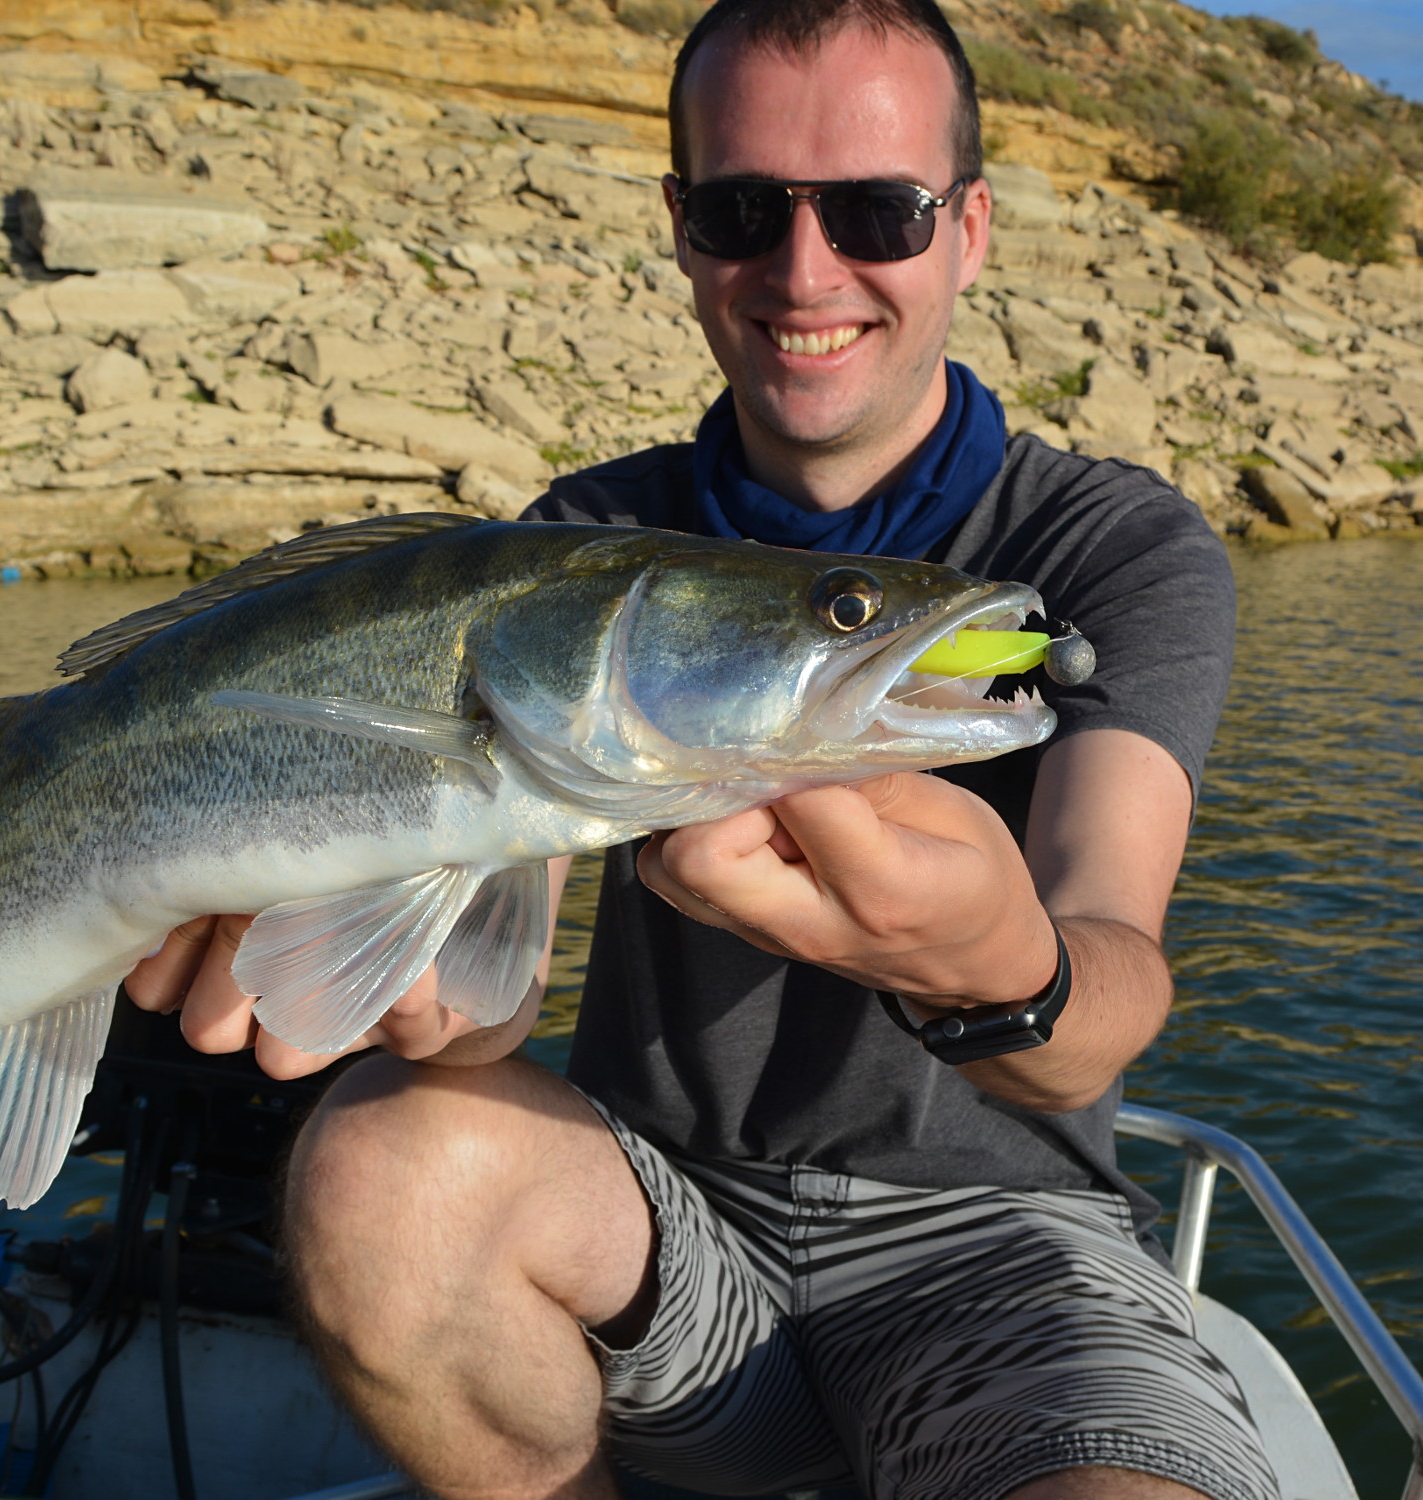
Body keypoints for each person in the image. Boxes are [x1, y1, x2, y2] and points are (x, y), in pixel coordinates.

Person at [125, 0, 1276, 1496]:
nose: (806, 273)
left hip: (991, 1248)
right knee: (375, 1159)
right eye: (743, 210)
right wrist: (391, 984)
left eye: (879, 210)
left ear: (971, 228)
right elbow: (478, 1020)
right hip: (655, 1213)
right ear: (680, 227)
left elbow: (1102, 995)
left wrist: (1002, 971)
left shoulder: (1112, 549)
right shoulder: (571, 551)